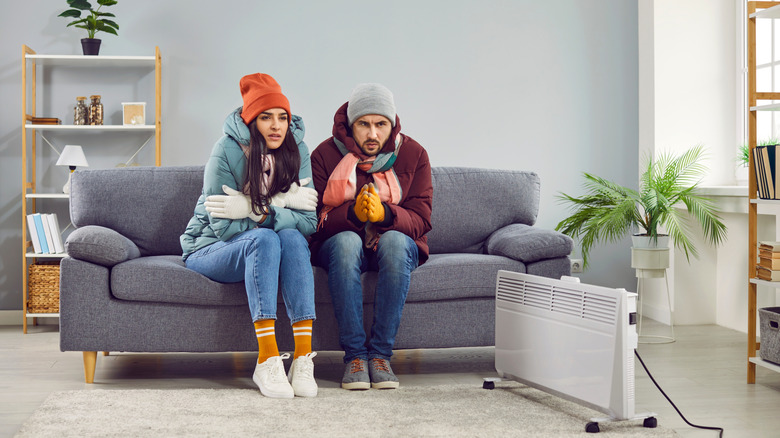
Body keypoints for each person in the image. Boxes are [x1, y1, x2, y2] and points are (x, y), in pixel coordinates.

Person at [180, 73, 319, 399]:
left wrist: (259, 210)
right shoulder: (225, 150)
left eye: (282, 117)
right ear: (251, 120)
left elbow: (308, 222)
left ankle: (303, 358)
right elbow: (224, 228)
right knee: (267, 239)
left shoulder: (297, 149)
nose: (276, 126)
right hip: (209, 248)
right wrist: (281, 205)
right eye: (266, 117)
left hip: (260, 240)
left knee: (292, 239)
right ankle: (267, 358)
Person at [310, 83, 432, 390]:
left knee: (394, 242)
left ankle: (380, 356)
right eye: (364, 124)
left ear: (392, 125)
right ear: (350, 125)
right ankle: (354, 357)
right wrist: (353, 214)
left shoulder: (414, 154)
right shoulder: (324, 155)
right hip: (339, 247)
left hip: (393, 246)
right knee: (346, 242)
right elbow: (312, 223)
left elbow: (421, 220)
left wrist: (385, 215)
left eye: (381, 124)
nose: (373, 133)